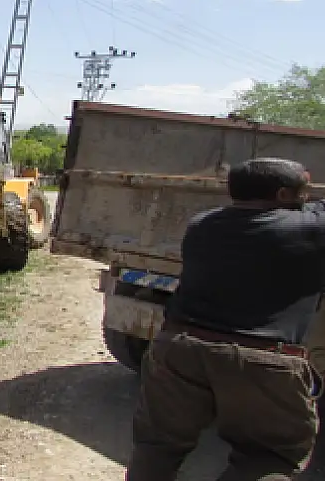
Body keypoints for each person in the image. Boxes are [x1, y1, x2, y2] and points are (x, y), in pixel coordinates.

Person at [127, 157, 324, 480]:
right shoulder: (311, 228)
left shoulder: (202, 224)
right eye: (304, 190)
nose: (309, 197)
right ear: (284, 196)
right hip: (262, 359)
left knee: (157, 446)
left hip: (179, 347)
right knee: (268, 455)